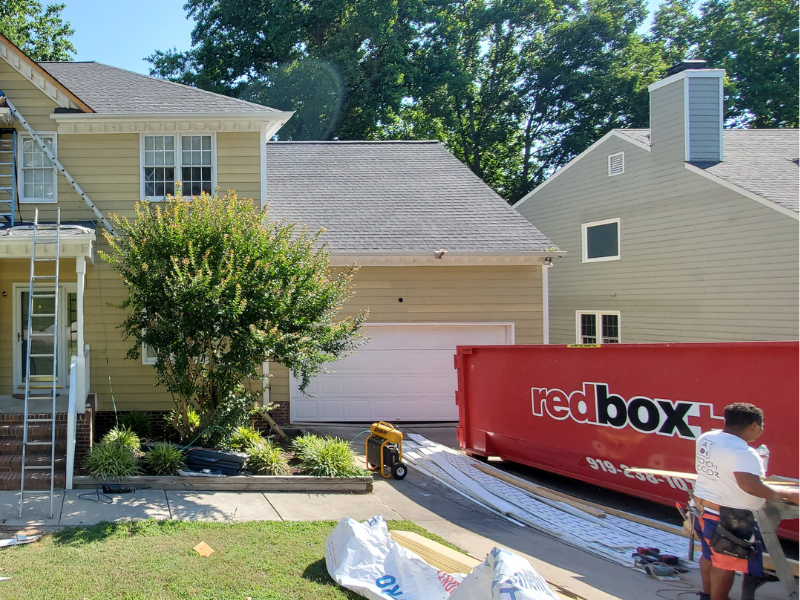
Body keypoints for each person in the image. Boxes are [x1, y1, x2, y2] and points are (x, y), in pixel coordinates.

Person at [694, 403, 799, 600]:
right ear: (754, 425)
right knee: (726, 564)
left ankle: (706, 596)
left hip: (703, 508)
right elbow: (751, 486)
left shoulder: (707, 438)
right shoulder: (743, 452)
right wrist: (788, 494)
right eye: (762, 425)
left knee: (709, 556)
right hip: (728, 518)